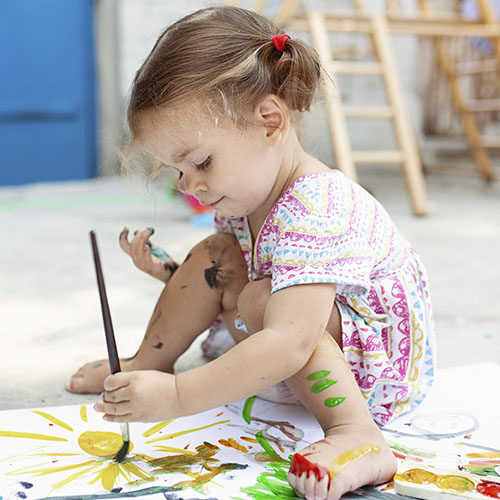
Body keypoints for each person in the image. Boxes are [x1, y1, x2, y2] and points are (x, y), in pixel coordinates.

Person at [67, 6, 436, 499]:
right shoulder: (249, 194)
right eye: (178, 170)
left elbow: (289, 338)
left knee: (265, 303)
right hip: (302, 329)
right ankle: (147, 363)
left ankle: (357, 435)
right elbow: (241, 270)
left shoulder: (317, 206)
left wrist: (178, 399)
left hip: (369, 371)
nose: (189, 185)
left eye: (200, 161)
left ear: (269, 122)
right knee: (216, 253)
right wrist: (173, 274)